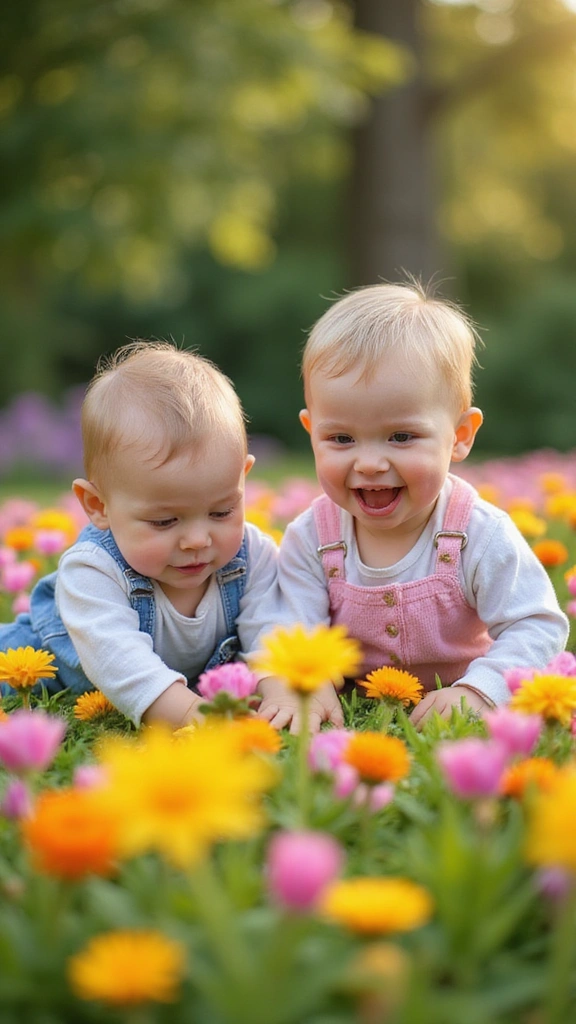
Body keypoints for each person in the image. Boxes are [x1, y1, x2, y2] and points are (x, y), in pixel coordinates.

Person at [258, 282, 569, 731]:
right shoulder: (313, 536)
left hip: (456, 697)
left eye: (401, 437)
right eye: (341, 438)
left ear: (460, 435)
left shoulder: (478, 533)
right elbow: (289, 621)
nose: (369, 463)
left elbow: (536, 625)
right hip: (359, 710)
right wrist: (304, 680)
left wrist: (479, 690)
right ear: (311, 432)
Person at [0, 341, 282, 729]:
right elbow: (119, 659)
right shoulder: (93, 570)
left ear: (243, 479)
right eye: (165, 521)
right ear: (98, 505)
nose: (197, 539)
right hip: (39, 663)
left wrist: (278, 683)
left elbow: (271, 625)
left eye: (221, 511)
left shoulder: (254, 556)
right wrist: (191, 714)